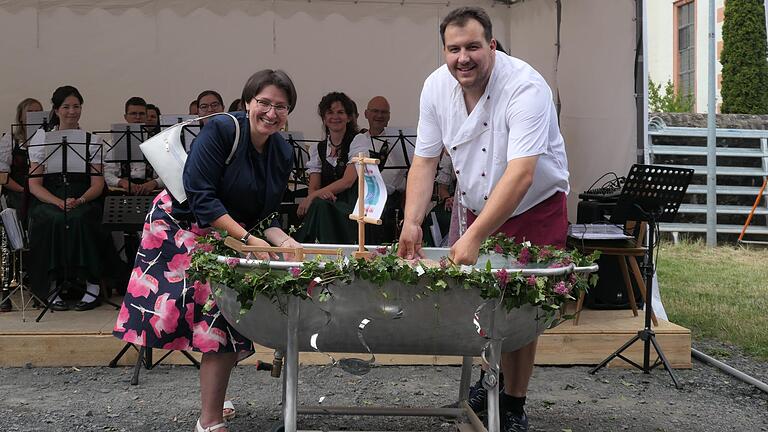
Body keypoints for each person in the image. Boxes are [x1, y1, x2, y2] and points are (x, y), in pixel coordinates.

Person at [397, 7, 569, 432]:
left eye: (473, 47)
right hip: (475, 202)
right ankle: (488, 379)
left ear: (491, 45)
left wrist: (474, 235)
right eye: (454, 49)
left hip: (533, 205)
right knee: (482, 302)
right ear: (443, 51)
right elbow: (424, 160)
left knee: (523, 307)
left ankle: (513, 402)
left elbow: (522, 173)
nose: (463, 58)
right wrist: (411, 221)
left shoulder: (526, 86)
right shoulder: (435, 87)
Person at [113, 69, 301, 432]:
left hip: (231, 231)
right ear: (248, 102)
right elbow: (201, 198)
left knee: (228, 315)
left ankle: (215, 398)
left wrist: (286, 242)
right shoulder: (221, 130)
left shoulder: (282, 151)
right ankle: (210, 420)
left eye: (281, 106)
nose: (271, 113)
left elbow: (267, 216)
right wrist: (249, 241)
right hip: (178, 227)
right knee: (218, 315)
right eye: (263, 103)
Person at [27, 85, 108, 312]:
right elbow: (34, 185)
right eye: (66, 107)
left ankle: (91, 286)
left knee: (81, 218)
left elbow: (97, 183)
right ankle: (51, 286)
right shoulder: (41, 139)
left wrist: (80, 200)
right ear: (56, 110)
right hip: (50, 198)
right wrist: (57, 202)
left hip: (82, 197)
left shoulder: (91, 140)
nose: (72, 111)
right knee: (52, 219)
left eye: (76, 106)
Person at [293, 92, 368, 244]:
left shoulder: (358, 141)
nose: (335, 117)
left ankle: (305, 246)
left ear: (348, 117)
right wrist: (319, 195)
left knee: (318, 205)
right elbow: (313, 187)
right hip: (327, 204)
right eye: (330, 112)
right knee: (320, 205)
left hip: (351, 207)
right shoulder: (318, 149)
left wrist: (313, 197)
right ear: (324, 118)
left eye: (340, 112)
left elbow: (348, 181)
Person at [0, 97, 43, 311]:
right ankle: (5, 288)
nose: (35, 116)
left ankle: (42, 286)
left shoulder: (46, 138)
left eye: (39, 112)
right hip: (17, 195)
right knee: (10, 234)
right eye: (31, 112)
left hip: (39, 194)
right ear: (21, 117)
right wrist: (26, 190)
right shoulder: (10, 139)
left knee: (41, 229)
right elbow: (3, 177)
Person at [349, 96, 407, 244]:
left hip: (390, 196)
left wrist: (378, 192)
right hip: (364, 192)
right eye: (375, 111)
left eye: (384, 112)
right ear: (366, 114)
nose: (379, 115)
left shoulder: (397, 140)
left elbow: (395, 174)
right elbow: (361, 169)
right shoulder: (360, 139)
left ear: (389, 116)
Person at [104, 97, 162, 195]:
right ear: (125, 117)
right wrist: (121, 182)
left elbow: (169, 174)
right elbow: (107, 174)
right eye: (133, 113)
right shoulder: (112, 144)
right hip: (121, 193)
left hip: (152, 192)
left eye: (142, 114)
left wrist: (155, 182)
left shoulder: (157, 142)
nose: (138, 117)